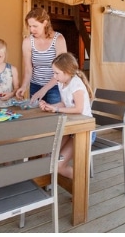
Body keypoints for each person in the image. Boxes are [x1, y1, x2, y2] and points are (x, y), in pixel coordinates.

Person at [39, 52, 93, 180]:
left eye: (57, 73)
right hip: (69, 129)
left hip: (83, 131)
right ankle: (48, 184)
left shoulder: (76, 84)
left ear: (67, 72)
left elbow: (78, 108)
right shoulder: (61, 82)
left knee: (58, 165)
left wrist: (57, 109)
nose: (54, 76)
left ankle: (81, 184)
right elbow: (65, 102)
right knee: (48, 153)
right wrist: (50, 106)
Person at [14, 7, 67, 106]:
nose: (31, 30)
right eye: (29, 26)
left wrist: (43, 90)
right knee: (36, 116)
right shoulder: (27, 42)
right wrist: (23, 87)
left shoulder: (58, 39)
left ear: (45, 23)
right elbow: (28, 69)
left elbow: (62, 70)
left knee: (53, 117)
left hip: (55, 86)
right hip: (35, 85)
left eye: (35, 26)